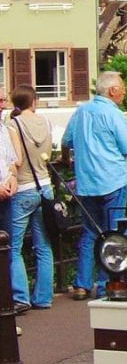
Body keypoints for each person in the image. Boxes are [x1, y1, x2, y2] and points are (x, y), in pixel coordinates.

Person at [61, 71, 127, 300]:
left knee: (89, 232)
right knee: (113, 233)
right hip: (113, 180)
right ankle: (108, 283)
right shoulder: (114, 114)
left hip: (87, 182)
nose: (124, 91)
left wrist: (67, 159)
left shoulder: (81, 111)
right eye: (122, 87)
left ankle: (81, 284)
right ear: (113, 90)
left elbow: (66, 141)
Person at [6, 85, 54, 313]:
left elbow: (16, 158)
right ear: (33, 101)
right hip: (45, 186)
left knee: (14, 247)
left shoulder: (13, 125)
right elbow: (50, 155)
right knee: (43, 245)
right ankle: (43, 297)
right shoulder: (45, 123)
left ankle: (20, 296)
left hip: (23, 187)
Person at [0, 89, 19, 238]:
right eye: (0, 101)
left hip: (5, 199)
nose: (3, 105)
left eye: (4, 100)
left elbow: (12, 161)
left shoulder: (4, 130)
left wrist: (13, 178)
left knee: (7, 250)